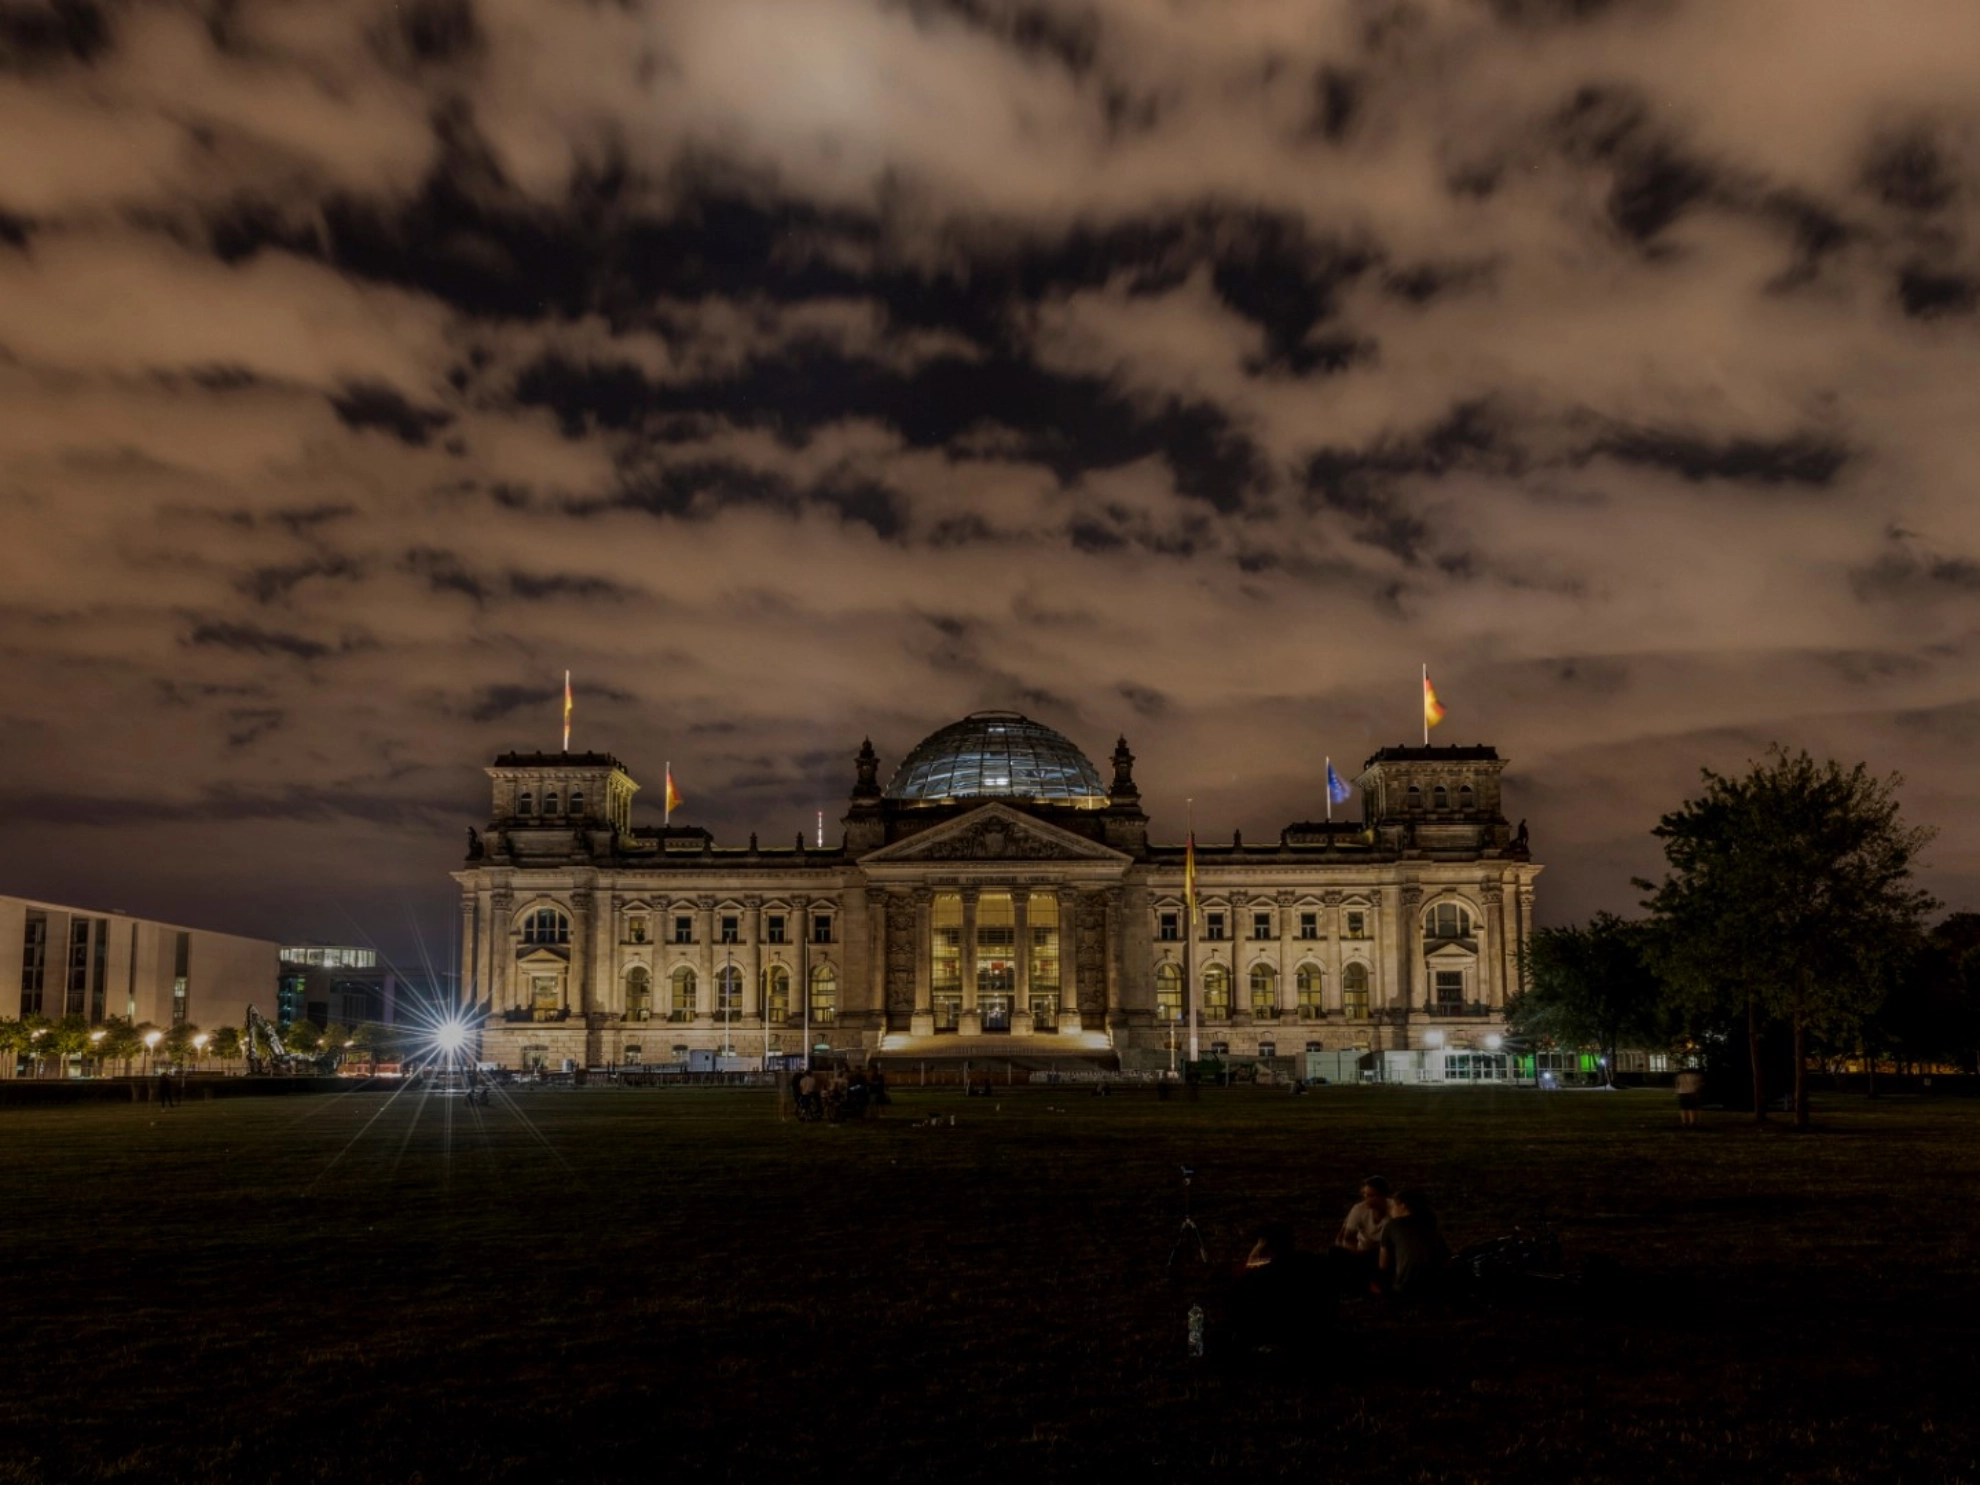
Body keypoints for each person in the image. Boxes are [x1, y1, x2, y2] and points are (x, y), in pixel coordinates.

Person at [1225, 1222, 1334, 1370]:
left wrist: (1255, 1253)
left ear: (1266, 1247)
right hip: (1314, 1342)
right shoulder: (1314, 1264)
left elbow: (1238, 1314)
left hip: (1277, 1343)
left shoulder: (1258, 1278)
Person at [1379, 1188, 1452, 1301]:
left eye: (1393, 1206)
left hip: (1405, 1288)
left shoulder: (1392, 1225)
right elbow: (1446, 1257)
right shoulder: (1430, 1223)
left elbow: (1383, 1264)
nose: (1391, 1210)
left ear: (1402, 1206)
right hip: (1435, 1287)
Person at [1332, 1176, 1390, 1291]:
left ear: (1383, 1196)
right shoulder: (1359, 1209)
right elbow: (1347, 1238)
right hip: (1363, 1251)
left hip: (1385, 1254)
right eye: (1365, 1194)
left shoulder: (1394, 1210)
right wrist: (1356, 1252)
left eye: (1371, 1195)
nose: (1366, 1199)